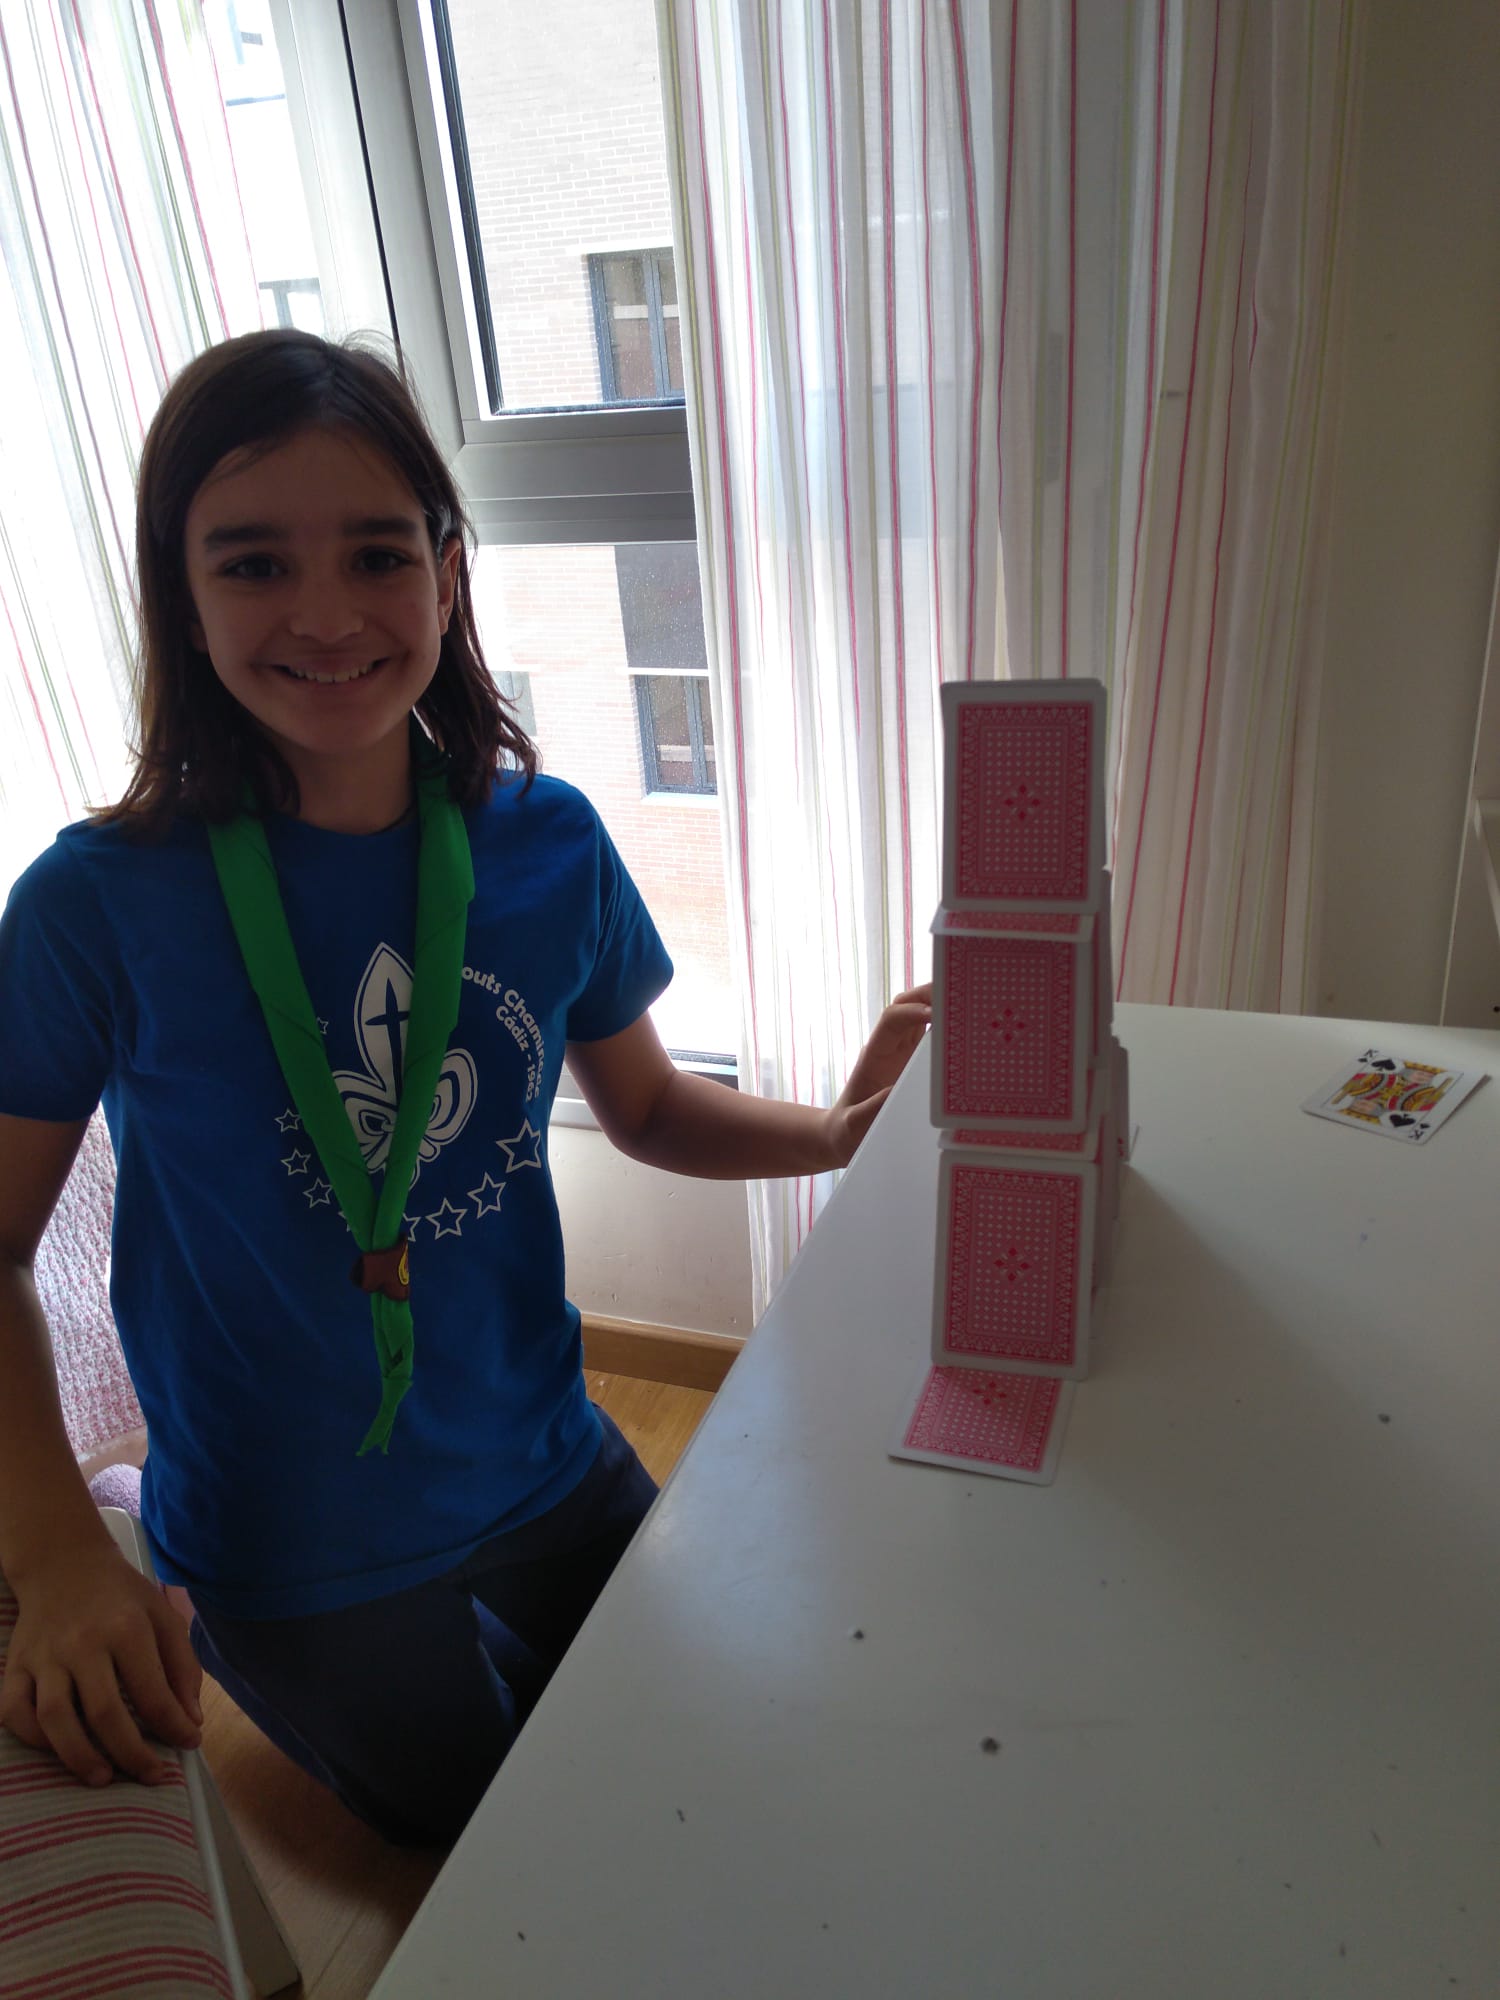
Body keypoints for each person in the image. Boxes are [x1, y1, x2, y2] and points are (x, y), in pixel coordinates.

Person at [0, 329, 931, 1847]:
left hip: (545, 1459)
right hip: (286, 1541)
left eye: (377, 554)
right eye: (253, 564)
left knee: (737, 1776)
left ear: (448, 574)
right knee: (537, 1850)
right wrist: (53, 1551)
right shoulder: (92, 904)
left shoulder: (547, 841)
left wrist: (836, 1133)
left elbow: (648, 1110)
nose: (325, 615)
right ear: (181, 592)